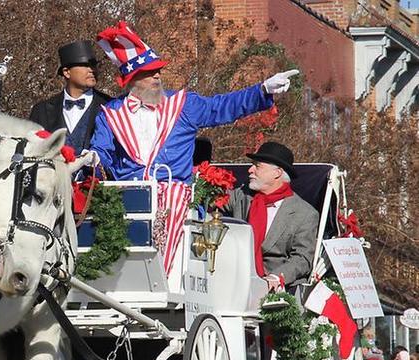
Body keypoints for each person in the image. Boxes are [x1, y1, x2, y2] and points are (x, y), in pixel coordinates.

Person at [90, 21, 298, 273]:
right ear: (132, 80)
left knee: (174, 211)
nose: (158, 76)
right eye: (149, 72)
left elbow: (221, 107)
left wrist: (262, 90)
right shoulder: (111, 114)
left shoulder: (182, 105)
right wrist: (92, 160)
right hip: (129, 203)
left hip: (176, 200)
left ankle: (165, 279)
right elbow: (102, 154)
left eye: (158, 71)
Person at [223, 141, 319, 292]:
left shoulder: (304, 214)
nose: (250, 170)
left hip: (275, 289)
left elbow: (302, 258)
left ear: (277, 173)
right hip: (233, 278)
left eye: (257, 166)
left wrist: (276, 277)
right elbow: (211, 202)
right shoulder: (242, 196)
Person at [30, 40, 111, 156]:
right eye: (84, 65)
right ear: (67, 72)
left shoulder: (110, 107)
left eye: (93, 65)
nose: (92, 70)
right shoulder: (41, 110)